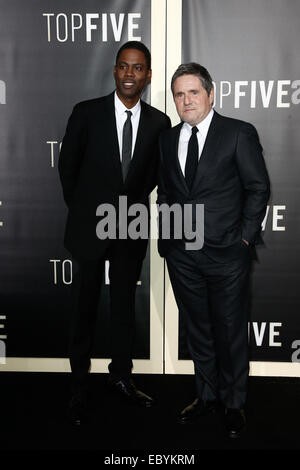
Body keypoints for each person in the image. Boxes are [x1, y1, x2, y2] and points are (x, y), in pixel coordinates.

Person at [58, 41, 171, 426]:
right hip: (90, 227)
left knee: (123, 308)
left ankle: (121, 377)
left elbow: (154, 176)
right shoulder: (86, 113)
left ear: (148, 75)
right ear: (114, 70)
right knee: (83, 309)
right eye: (123, 66)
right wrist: (88, 212)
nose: (129, 74)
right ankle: (78, 387)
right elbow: (67, 169)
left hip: (131, 229)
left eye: (137, 68)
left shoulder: (159, 123)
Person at [157, 63, 270, 438]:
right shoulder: (167, 139)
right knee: (198, 330)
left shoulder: (238, 133)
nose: (186, 100)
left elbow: (258, 188)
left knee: (229, 329)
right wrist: (168, 241)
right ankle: (206, 396)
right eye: (179, 94)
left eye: (193, 92)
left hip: (227, 254)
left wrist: (244, 240)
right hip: (181, 255)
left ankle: (234, 402)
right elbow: (169, 193)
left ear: (210, 94)